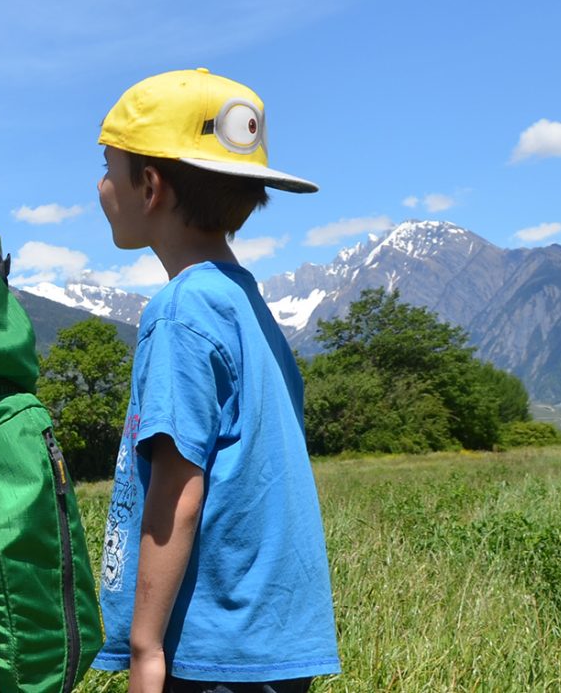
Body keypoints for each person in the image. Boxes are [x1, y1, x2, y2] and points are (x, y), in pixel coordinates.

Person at [88, 68, 340, 693]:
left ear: (150, 186)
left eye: (107, 167)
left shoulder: (180, 310)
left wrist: (146, 648)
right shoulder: (246, 302)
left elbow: (179, 484)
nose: (99, 186)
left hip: (208, 655)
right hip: (270, 645)